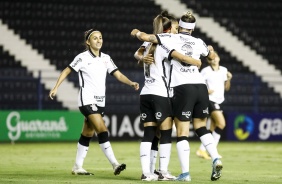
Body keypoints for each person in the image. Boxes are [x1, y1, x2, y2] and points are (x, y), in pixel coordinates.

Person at [131, 11, 223, 181]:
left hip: (176, 89)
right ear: (193, 28)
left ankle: (177, 173)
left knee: (175, 133)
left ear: (179, 26)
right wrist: (201, 56)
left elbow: (145, 42)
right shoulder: (197, 41)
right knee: (200, 128)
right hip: (199, 87)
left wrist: (136, 33)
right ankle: (215, 156)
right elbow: (209, 55)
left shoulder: (168, 39)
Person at [49, 29, 139, 176]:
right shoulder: (82, 58)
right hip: (87, 100)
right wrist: (55, 87)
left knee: (87, 133)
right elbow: (66, 70)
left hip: (100, 101)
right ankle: (115, 164)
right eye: (95, 38)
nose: (99, 40)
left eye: (100, 38)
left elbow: (118, 74)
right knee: (103, 130)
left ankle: (77, 167)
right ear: (88, 42)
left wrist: (131, 83)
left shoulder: (106, 58)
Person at [134, 11, 178, 181]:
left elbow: (136, 54)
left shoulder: (148, 42)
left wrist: (141, 58)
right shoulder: (168, 41)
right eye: (174, 27)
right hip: (161, 93)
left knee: (149, 133)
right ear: (168, 29)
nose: (176, 30)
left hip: (146, 93)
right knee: (166, 133)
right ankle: (163, 172)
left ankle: (147, 173)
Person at [196, 51, 232, 159]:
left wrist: (229, 79)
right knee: (221, 124)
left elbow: (227, 88)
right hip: (210, 100)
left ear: (219, 58)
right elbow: (198, 84)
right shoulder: (205, 71)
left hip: (219, 100)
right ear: (208, 61)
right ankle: (212, 151)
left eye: (216, 57)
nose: (214, 59)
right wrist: (206, 91)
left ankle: (202, 150)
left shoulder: (224, 70)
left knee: (212, 127)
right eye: (212, 58)